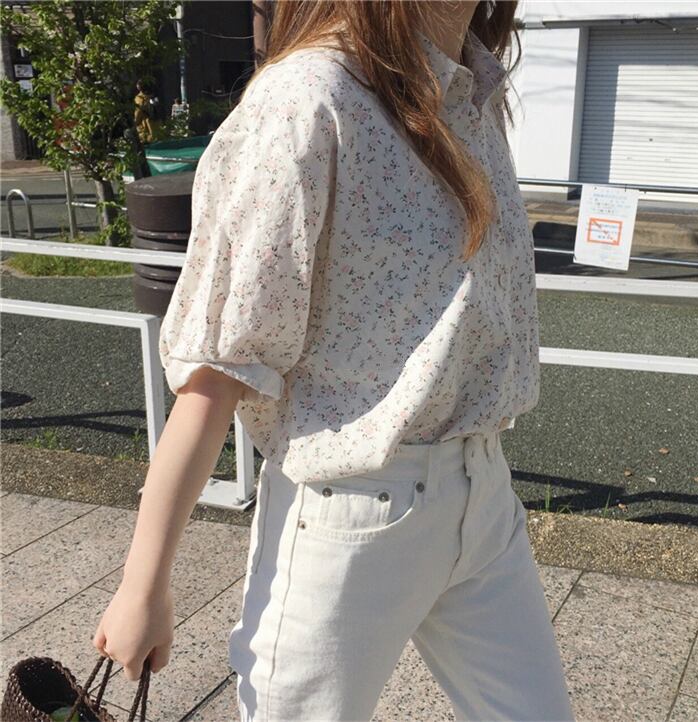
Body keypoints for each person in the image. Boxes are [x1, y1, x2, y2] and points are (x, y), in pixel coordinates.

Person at [92, 2, 576, 720]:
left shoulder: (472, 94)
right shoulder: (310, 98)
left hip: (483, 493)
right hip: (353, 508)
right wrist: (144, 585)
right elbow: (219, 370)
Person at [133, 78, 161, 144]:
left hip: (146, 126)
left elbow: (138, 113)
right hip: (155, 123)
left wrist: (135, 122)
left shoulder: (139, 98)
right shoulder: (153, 96)